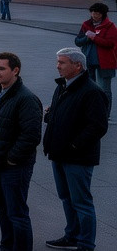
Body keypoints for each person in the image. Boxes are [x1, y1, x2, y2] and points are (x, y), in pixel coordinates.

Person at [42, 47, 108, 251]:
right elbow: (61, 115)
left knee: (81, 202)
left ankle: (86, 244)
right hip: (59, 154)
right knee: (66, 197)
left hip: (77, 157)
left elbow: (97, 126)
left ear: (77, 65)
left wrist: (73, 146)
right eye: (58, 61)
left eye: (62, 62)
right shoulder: (63, 86)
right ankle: (72, 235)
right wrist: (50, 116)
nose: (57, 66)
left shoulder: (92, 91)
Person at [0, 51, 42, 251]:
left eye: (1, 68)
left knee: (17, 213)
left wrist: (11, 160)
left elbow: (31, 136)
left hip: (13, 167)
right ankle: (7, 247)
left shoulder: (27, 99)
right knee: (2, 209)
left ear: (15, 70)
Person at [73, 2, 116, 119]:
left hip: (105, 62)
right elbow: (77, 41)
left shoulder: (110, 26)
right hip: (89, 61)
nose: (94, 15)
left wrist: (95, 38)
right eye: (93, 13)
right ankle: (91, 110)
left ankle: (105, 114)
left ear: (103, 14)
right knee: (90, 87)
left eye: (97, 13)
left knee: (105, 89)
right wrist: (87, 37)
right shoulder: (86, 24)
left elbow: (111, 43)